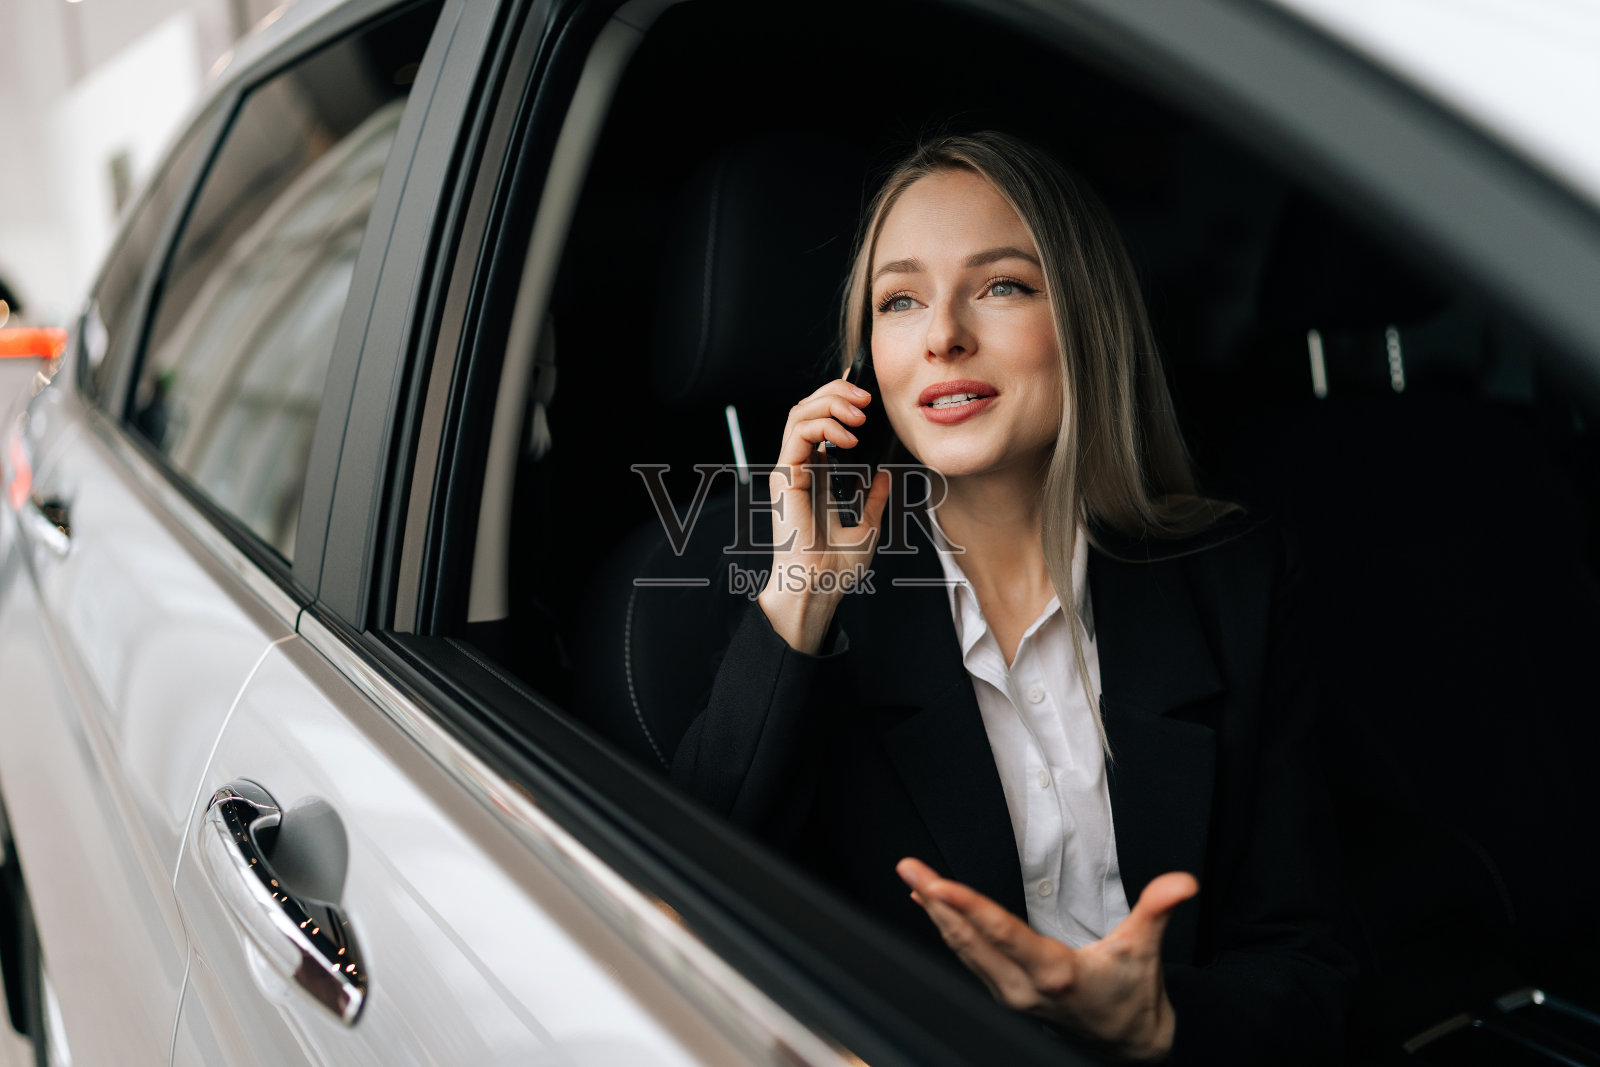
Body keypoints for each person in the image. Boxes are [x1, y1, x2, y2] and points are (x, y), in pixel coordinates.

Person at [665, 131, 1355, 1064]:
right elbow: (680, 913)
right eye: (900, 300)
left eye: (1001, 285)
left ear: (1085, 319)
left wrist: (1154, 1022)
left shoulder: (1237, 575)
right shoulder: (799, 602)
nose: (943, 334)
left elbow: (1314, 968)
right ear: (869, 361)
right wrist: (805, 590)